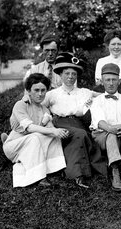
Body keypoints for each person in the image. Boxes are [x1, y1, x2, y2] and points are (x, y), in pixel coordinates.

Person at [43, 52, 105, 188]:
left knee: (82, 135)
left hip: (78, 123)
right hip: (60, 123)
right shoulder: (52, 94)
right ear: (60, 74)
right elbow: (39, 105)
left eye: (73, 74)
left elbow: (103, 96)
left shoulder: (84, 92)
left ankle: (80, 173)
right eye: (67, 73)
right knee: (80, 135)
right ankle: (77, 175)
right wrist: (47, 119)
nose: (70, 77)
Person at [3, 73, 67, 187]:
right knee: (35, 137)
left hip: (32, 141)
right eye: (36, 90)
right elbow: (29, 127)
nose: (40, 94)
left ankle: (53, 168)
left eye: (43, 90)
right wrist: (53, 131)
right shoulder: (21, 105)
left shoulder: (45, 110)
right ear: (28, 90)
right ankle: (39, 177)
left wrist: (58, 132)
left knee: (53, 136)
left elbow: (51, 128)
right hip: (15, 144)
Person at [90, 63, 121, 192]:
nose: (111, 83)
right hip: (102, 134)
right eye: (107, 80)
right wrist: (113, 129)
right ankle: (115, 170)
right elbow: (99, 122)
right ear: (102, 82)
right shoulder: (97, 101)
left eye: (114, 80)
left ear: (119, 81)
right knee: (111, 134)